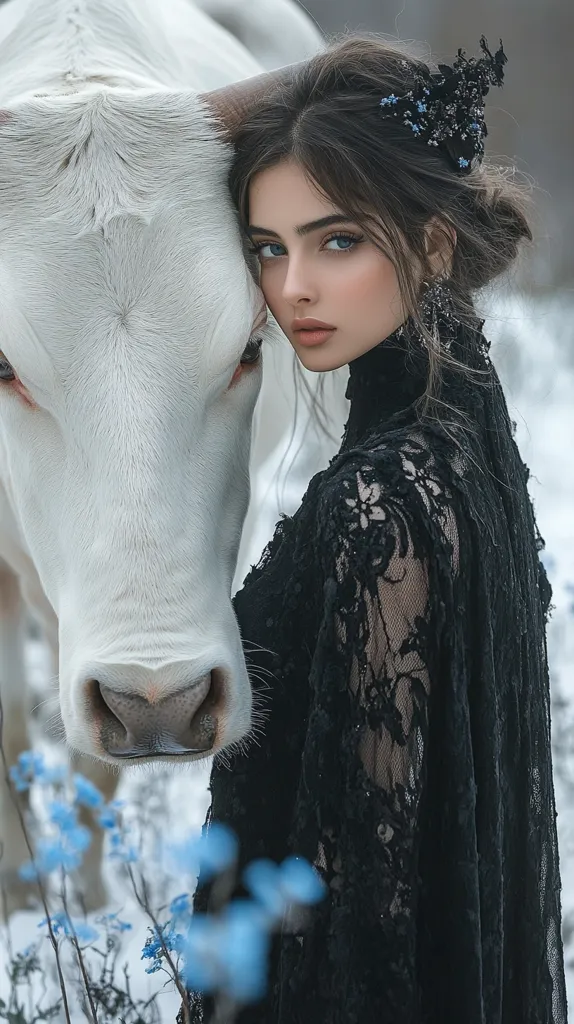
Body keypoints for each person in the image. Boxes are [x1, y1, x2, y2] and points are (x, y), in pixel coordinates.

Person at [182, 35, 568, 1023]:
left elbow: (368, 909)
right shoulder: (468, 456)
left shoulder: (384, 501)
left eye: (336, 239)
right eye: (269, 248)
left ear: (433, 243)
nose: (293, 286)